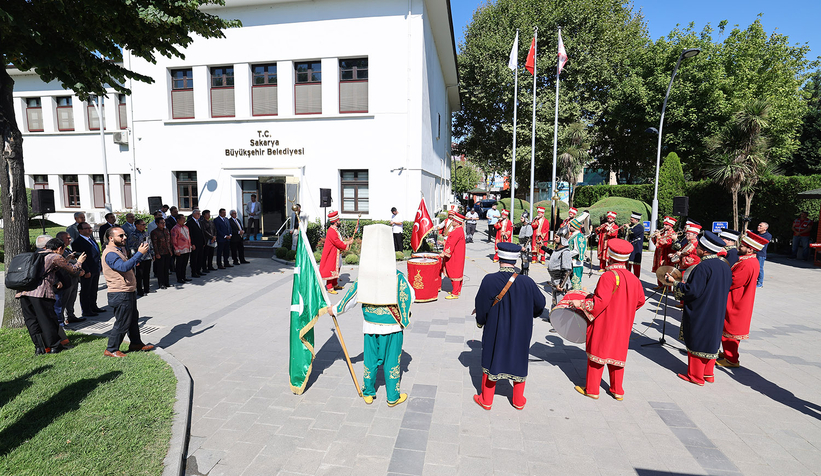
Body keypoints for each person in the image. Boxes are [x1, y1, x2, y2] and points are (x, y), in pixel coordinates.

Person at [328, 224, 413, 406]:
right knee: (392, 361)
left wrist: (334, 310)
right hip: (392, 325)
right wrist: (405, 316)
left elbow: (349, 299)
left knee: (370, 360)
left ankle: (368, 392)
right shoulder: (398, 276)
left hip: (370, 323)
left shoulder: (364, 277)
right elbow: (410, 295)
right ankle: (392, 397)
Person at [473, 242, 546, 410]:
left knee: (492, 358)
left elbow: (481, 305)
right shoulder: (527, 282)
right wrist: (530, 314)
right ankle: (518, 401)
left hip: (496, 328)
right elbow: (541, 305)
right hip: (521, 330)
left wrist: (481, 321)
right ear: (516, 260)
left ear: (498, 257)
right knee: (519, 358)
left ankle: (486, 399)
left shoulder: (489, 280)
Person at [570, 239, 646, 400]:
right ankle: (617, 390)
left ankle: (592, 389)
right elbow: (640, 301)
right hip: (624, 323)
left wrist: (580, 302)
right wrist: (626, 310)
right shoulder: (634, 278)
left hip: (605, 321)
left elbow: (599, 302)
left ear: (609, 256)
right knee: (617, 354)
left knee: (598, 352)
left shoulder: (609, 276)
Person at [664, 231, 732, 386]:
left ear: (705, 250)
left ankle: (695, 376)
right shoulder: (724, 265)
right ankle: (708, 373)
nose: (697, 249)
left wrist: (675, 283)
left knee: (697, 338)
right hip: (718, 308)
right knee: (711, 339)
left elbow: (692, 291)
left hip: (702, 309)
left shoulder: (702, 267)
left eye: (699, 247)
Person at [17, 238, 86, 355]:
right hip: (40, 294)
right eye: (63, 250)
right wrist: (79, 261)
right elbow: (73, 270)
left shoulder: (37, 255)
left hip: (24, 292)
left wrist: (67, 258)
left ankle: (40, 348)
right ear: (59, 248)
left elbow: (50, 267)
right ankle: (54, 346)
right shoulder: (54, 256)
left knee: (32, 321)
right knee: (48, 319)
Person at [717, 231, 769, 368]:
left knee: (730, 330)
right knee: (729, 329)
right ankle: (729, 354)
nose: (739, 247)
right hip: (738, 299)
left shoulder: (747, 264)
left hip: (737, 300)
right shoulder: (749, 261)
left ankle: (731, 359)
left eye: (742, 246)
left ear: (750, 249)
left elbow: (733, 281)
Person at [101, 226, 155, 357]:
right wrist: (139, 253)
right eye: (121, 235)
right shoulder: (110, 253)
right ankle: (111, 349)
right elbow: (123, 267)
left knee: (132, 319)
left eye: (124, 235)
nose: (124, 237)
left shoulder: (118, 250)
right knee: (123, 321)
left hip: (127, 291)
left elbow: (126, 265)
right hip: (120, 293)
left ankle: (136, 343)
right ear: (111, 238)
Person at [72, 222, 106, 316]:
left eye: (90, 228)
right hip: (87, 270)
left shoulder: (91, 239)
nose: (89, 230)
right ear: (80, 230)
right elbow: (81, 258)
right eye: (86, 228)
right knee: (86, 290)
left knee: (94, 289)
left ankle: (93, 306)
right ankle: (86, 310)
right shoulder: (78, 242)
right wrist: (86, 270)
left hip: (95, 268)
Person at [319, 211, 352, 293]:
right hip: (332, 253)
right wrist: (347, 244)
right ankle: (329, 287)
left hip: (336, 253)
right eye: (339, 220)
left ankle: (334, 283)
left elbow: (338, 240)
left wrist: (346, 242)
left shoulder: (334, 229)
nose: (340, 222)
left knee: (337, 267)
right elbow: (336, 242)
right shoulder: (331, 230)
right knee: (331, 269)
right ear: (335, 222)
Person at [55, 231, 83, 324]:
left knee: (72, 299)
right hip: (66, 280)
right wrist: (77, 271)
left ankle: (71, 315)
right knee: (63, 302)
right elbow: (65, 267)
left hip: (74, 280)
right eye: (67, 238)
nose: (70, 240)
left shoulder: (68, 250)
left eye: (70, 237)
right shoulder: (58, 252)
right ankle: (61, 321)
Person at [440, 213, 466, 300]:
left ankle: (455, 293)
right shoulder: (459, 230)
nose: (452, 221)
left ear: (458, 222)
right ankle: (457, 290)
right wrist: (444, 243)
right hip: (458, 254)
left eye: (454, 220)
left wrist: (445, 253)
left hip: (455, 255)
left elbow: (451, 243)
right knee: (458, 272)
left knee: (454, 272)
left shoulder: (457, 231)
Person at [546, 230, 574, 305]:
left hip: (561, 281)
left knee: (560, 303)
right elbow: (553, 253)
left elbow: (567, 270)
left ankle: (560, 317)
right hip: (555, 280)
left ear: (563, 238)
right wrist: (542, 247)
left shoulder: (565, 252)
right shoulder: (558, 250)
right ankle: (553, 316)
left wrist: (561, 285)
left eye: (557, 237)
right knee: (554, 302)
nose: (554, 239)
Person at [127, 219, 154, 296]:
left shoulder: (146, 233)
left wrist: (152, 254)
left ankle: (147, 288)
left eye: (145, 224)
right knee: (139, 275)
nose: (144, 226)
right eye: (142, 225)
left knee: (147, 273)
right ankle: (139, 290)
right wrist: (135, 258)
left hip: (147, 256)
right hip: (139, 257)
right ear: (137, 225)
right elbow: (131, 247)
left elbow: (150, 244)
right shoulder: (133, 235)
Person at [651, 216, 678, 289]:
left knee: (666, 270)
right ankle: (660, 285)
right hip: (659, 253)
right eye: (664, 224)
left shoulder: (673, 233)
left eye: (666, 225)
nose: (664, 226)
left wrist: (659, 236)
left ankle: (667, 287)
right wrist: (655, 236)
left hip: (667, 254)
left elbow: (666, 244)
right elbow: (656, 243)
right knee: (659, 270)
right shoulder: (663, 232)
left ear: (670, 225)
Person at [567, 212, 589, 290]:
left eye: (570, 225)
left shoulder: (578, 236)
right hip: (571, 262)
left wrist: (566, 254)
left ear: (574, 227)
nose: (569, 227)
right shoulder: (574, 235)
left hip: (576, 263)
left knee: (576, 284)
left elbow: (577, 250)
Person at [170, 214, 192, 284]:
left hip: (187, 248)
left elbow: (189, 237)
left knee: (185, 264)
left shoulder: (186, 227)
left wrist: (190, 246)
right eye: (182, 219)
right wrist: (176, 250)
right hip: (180, 249)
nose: (184, 220)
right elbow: (174, 240)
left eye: (184, 218)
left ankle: (184, 276)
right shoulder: (175, 229)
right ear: (178, 220)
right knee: (179, 264)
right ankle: (179, 278)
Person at [150, 218, 172, 289]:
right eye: (161, 223)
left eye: (164, 222)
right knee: (160, 269)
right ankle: (161, 283)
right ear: (157, 223)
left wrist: (170, 250)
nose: (163, 224)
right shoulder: (154, 232)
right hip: (160, 252)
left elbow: (169, 241)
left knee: (166, 268)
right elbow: (154, 244)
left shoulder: (166, 230)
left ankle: (167, 282)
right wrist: (156, 253)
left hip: (167, 251)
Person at [187, 209, 205, 277]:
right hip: (195, 243)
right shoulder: (190, 222)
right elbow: (190, 234)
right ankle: (193, 272)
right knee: (194, 258)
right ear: (193, 214)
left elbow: (202, 232)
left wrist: (203, 241)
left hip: (200, 243)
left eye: (199, 213)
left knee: (200, 257)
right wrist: (192, 244)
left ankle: (198, 270)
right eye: (197, 213)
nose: (199, 215)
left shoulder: (200, 222)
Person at [626, 212, 644, 279]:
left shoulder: (639, 227)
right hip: (630, 246)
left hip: (636, 247)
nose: (630, 221)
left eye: (632, 220)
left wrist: (628, 227)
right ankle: (628, 276)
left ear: (636, 220)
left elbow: (633, 233)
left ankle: (636, 277)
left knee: (635, 262)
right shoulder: (633, 226)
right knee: (629, 262)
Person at [756, 222, 772, 287]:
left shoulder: (768, 236)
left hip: (761, 254)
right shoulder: (755, 233)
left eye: (760, 226)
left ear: (765, 228)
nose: (758, 227)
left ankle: (760, 282)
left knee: (760, 268)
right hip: (753, 253)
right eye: (758, 225)